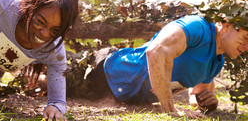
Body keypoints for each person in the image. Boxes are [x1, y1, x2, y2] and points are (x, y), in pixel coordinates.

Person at [83, 9, 248, 117]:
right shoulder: (197, 26)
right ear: (226, 24)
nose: (247, 47)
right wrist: (171, 110)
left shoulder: (216, 63)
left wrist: (205, 101)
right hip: (103, 70)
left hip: (124, 97)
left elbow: (195, 95)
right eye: (246, 38)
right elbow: (155, 52)